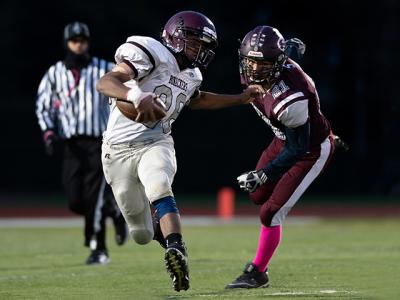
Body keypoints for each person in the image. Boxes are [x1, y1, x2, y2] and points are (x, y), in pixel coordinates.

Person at [96, 11, 259, 291]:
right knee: (141, 233)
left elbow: (196, 100)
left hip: (156, 141)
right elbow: (106, 82)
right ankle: (162, 239)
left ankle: (177, 248)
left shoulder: (193, 74)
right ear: (175, 35)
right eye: (194, 40)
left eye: (203, 44)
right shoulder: (151, 52)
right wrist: (136, 96)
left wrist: (241, 99)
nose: (199, 48)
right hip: (117, 150)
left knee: (159, 184)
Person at [225, 25, 336, 289]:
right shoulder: (257, 68)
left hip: (310, 149)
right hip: (283, 138)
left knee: (270, 213)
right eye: (250, 61)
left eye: (262, 64)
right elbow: (285, 53)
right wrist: (290, 49)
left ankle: (257, 272)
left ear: (277, 63)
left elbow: (297, 149)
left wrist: (263, 174)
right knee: (256, 195)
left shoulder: (290, 97)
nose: (254, 69)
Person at [36, 21, 127, 265]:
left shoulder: (103, 69)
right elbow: (43, 105)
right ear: (67, 43)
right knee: (76, 201)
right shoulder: (55, 73)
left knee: (93, 196)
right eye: (75, 40)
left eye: (83, 40)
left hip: (100, 142)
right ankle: (114, 211)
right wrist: (48, 133)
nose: (79, 45)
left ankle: (99, 249)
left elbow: (127, 87)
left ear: (88, 42)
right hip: (71, 145)